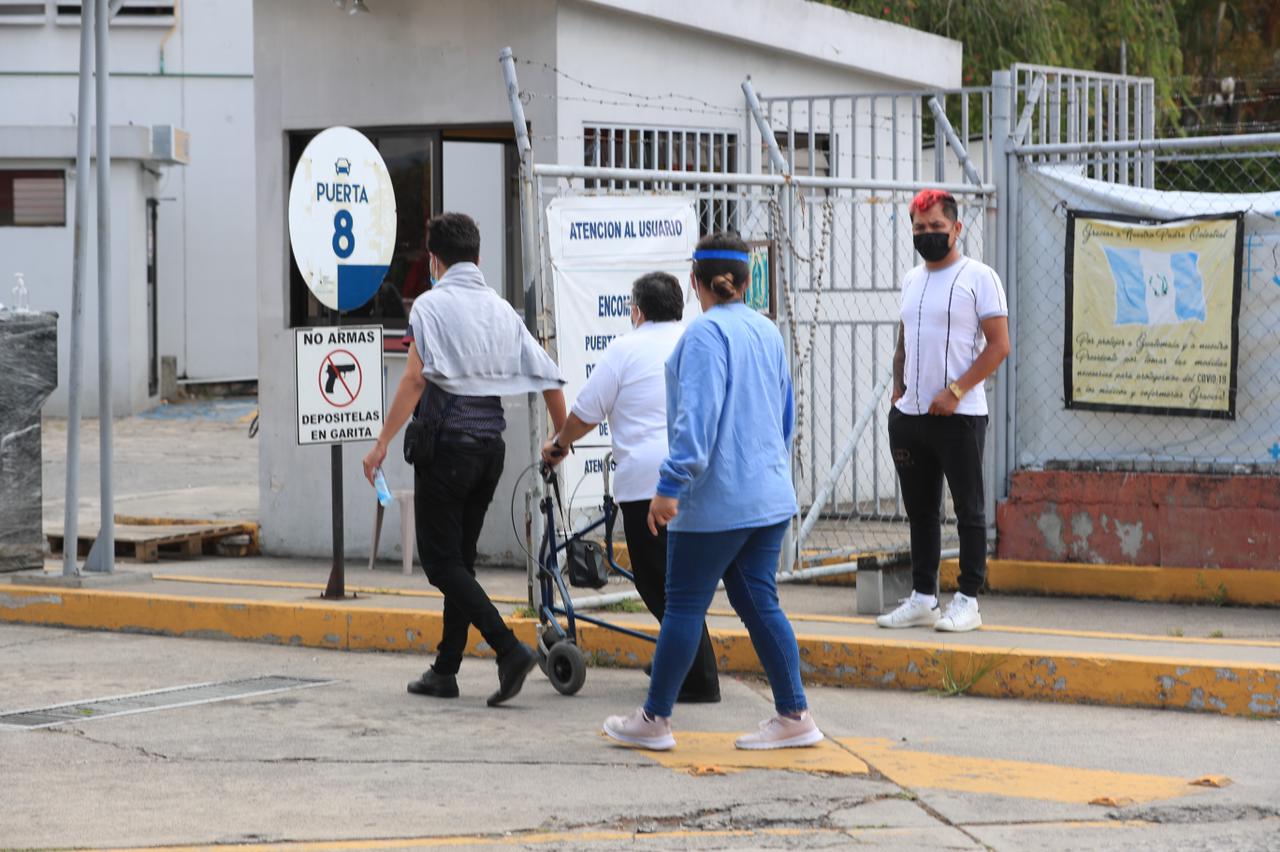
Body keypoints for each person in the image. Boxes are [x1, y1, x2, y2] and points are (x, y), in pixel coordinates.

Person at [601, 232, 821, 752]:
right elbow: (785, 415)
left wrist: (669, 486)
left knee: (682, 607)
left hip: (716, 500)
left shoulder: (701, 338)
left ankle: (654, 719)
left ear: (694, 282)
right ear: (747, 282)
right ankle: (794, 714)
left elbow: (694, 425)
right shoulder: (767, 332)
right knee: (760, 605)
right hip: (767, 494)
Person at [362, 212, 567, 706]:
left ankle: (508, 649)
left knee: (440, 563)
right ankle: (446, 668)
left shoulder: (430, 306)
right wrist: (560, 441)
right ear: (478, 257)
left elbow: (414, 380)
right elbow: (550, 378)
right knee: (461, 560)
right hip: (489, 454)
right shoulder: (501, 309)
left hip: (446, 449)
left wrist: (382, 441)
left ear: (434, 259)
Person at [540, 272, 720, 704]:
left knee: (657, 582)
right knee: (685, 580)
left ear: (637, 311)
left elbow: (586, 411)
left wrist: (559, 445)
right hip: (702, 477)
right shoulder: (697, 340)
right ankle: (682, 662)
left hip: (648, 484)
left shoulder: (625, 348)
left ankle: (698, 675)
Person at [877, 189, 1010, 633]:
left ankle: (969, 598)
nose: (928, 235)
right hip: (910, 417)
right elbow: (905, 338)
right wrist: (898, 387)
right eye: (919, 229)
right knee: (920, 510)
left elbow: (1000, 346)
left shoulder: (980, 277)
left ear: (957, 228)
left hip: (960, 415)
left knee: (968, 509)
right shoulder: (912, 279)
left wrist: (955, 391)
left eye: (936, 227)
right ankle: (923, 597)